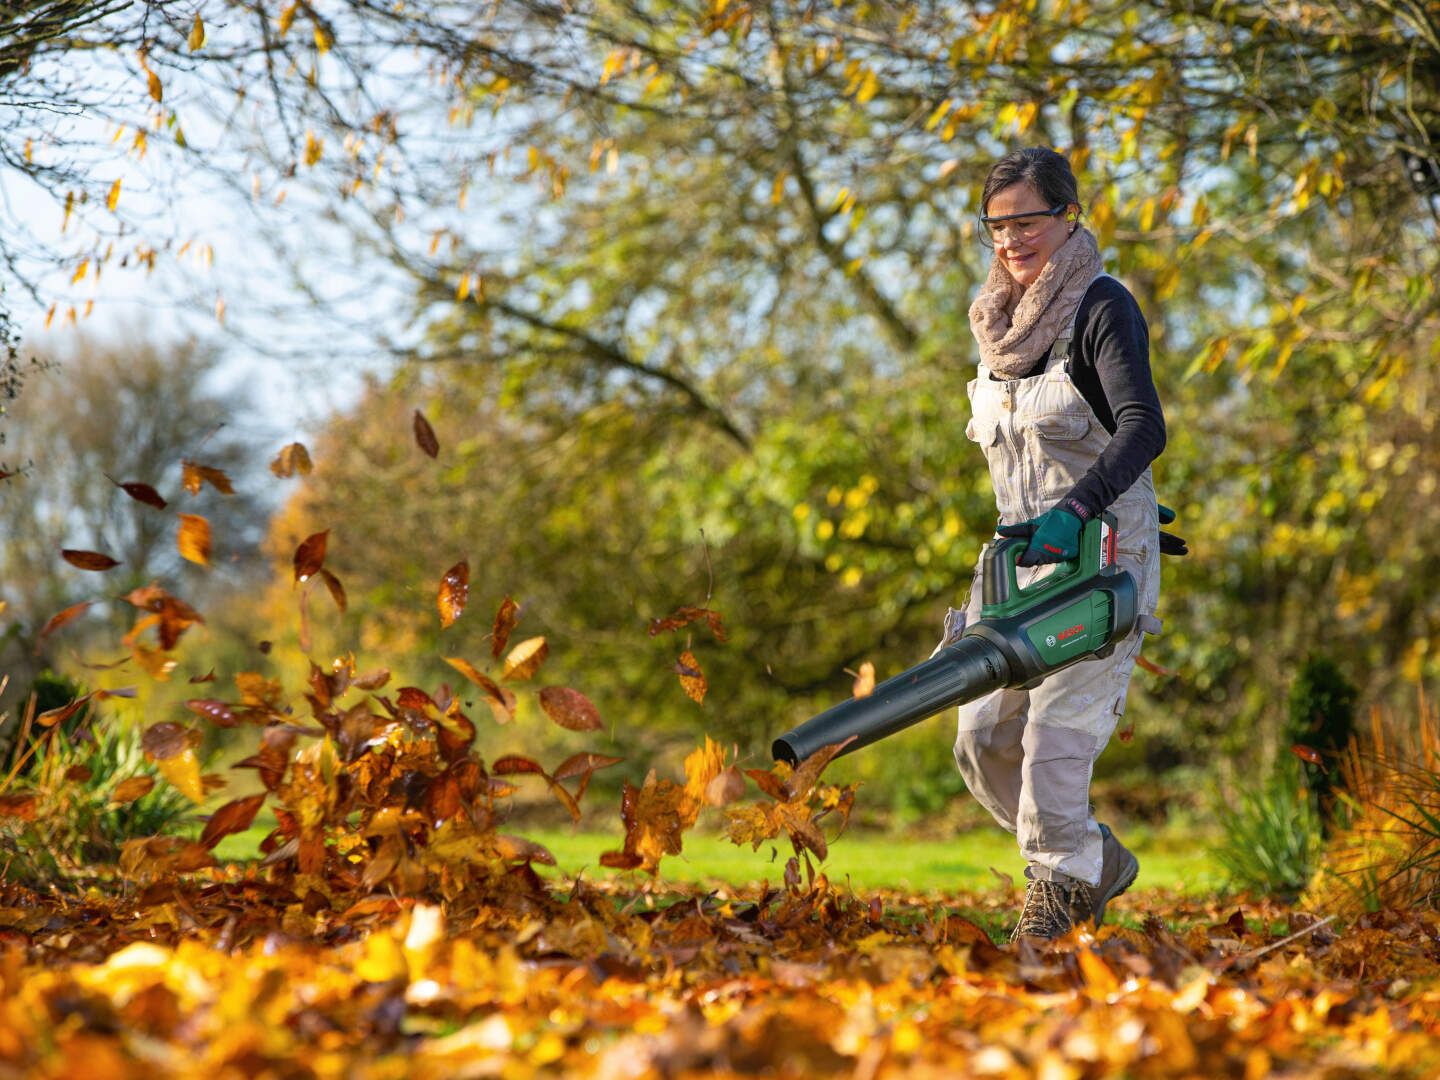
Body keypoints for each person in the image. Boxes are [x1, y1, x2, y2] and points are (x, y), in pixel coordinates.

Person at [950, 147, 1169, 942]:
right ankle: (1086, 858)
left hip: (1100, 552)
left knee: (1053, 740)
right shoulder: (994, 326)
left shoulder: (1101, 305)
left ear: (1068, 217)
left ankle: (1050, 909)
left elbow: (1144, 425)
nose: (1012, 240)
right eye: (997, 226)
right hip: (1017, 563)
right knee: (979, 740)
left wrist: (1079, 507)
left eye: (1027, 221)